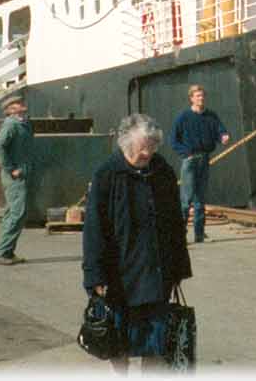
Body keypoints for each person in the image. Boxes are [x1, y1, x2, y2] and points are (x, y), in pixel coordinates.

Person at [82, 113, 192, 372]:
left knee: (154, 342)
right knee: (116, 342)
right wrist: (94, 274)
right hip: (119, 277)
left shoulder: (162, 171)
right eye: (145, 148)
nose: (149, 154)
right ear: (126, 145)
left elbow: (175, 224)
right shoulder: (107, 175)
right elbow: (94, 230)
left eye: (153, 147)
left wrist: (178, 268)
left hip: (156, 274)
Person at [170, 85, 231, 243]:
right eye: (197, 96)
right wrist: (186, 154)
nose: (201, 98)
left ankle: (199, 234)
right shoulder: (183, 117)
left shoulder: (211, 116)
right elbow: (173, 141)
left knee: (200, 199)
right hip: (190, 161)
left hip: (205, 159)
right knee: (187, 199)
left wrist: (223, 136)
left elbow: (220, 130)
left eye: (202, 95)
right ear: (191, 98)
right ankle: (179, 234)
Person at [0, 94, 32, 265]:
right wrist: (10, 168)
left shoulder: (24, 124)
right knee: (17, 214)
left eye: (21, 102)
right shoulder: (11, 125)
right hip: (15, 176)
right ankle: (2, 252)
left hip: (22, 173)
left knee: (12, 213)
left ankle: (7, 252)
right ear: (10, 110)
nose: (21, 104)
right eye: (17, 103)